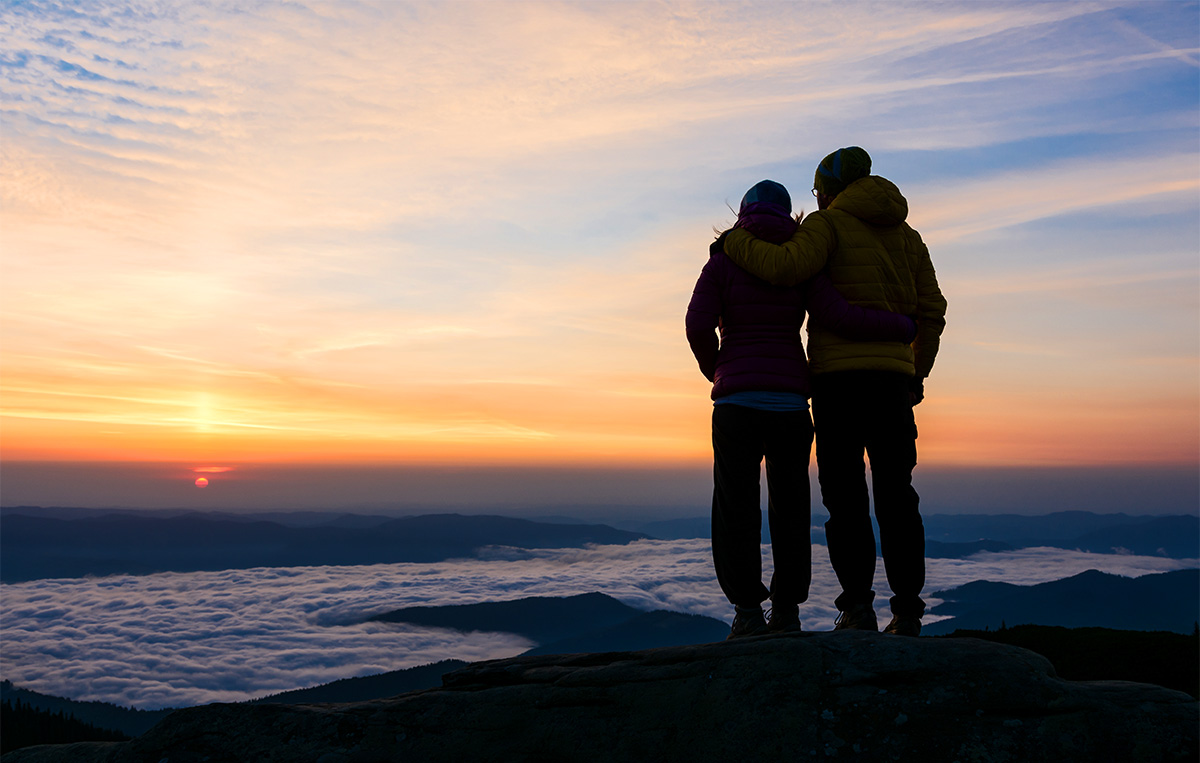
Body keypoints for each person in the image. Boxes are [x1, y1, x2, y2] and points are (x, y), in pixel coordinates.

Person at [720, 148, 947, 636]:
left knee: (845, 501)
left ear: (829, 189)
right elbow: (932, 311)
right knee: (898, 495)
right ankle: (907, 611)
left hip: (838, 384)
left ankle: (858, 610)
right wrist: (915, 374)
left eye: (819, 191)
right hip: (892, 383)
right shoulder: (910, 238)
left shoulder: (828, 226)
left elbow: (783, 268)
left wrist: (732, 243)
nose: (818, 199)